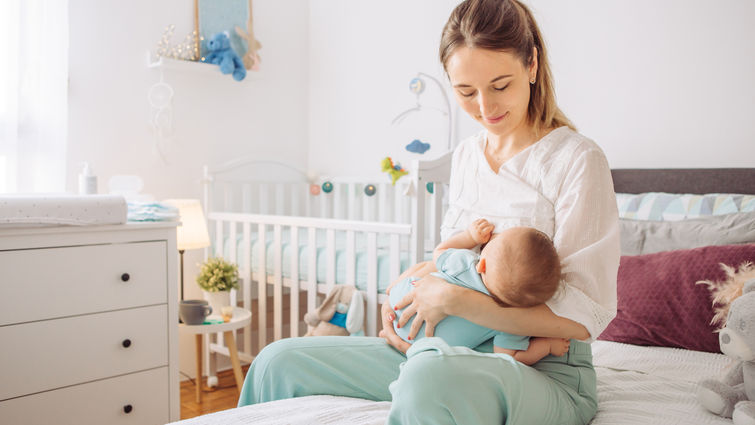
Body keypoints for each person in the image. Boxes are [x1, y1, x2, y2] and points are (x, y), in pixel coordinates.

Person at [238, 1, 619, 423]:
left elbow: (585, 318)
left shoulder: (576, 159)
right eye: (466, 92)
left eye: (500, 85)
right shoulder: (467, 157)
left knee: (428, 377)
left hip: (540, 368)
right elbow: (453, 261)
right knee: (277, 360)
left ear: (531, 64)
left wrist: (459, 303)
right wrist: (402, 295)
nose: (485, 107)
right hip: (441, 348)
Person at [389, 219, 571, 364]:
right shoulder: (513, 320)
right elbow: (510, 357)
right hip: (431, 349)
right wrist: (547, 346)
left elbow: (439, 251)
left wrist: (470, 237)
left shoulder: (465, 262)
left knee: (422, 270)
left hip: (400, 306)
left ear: (482, 264)